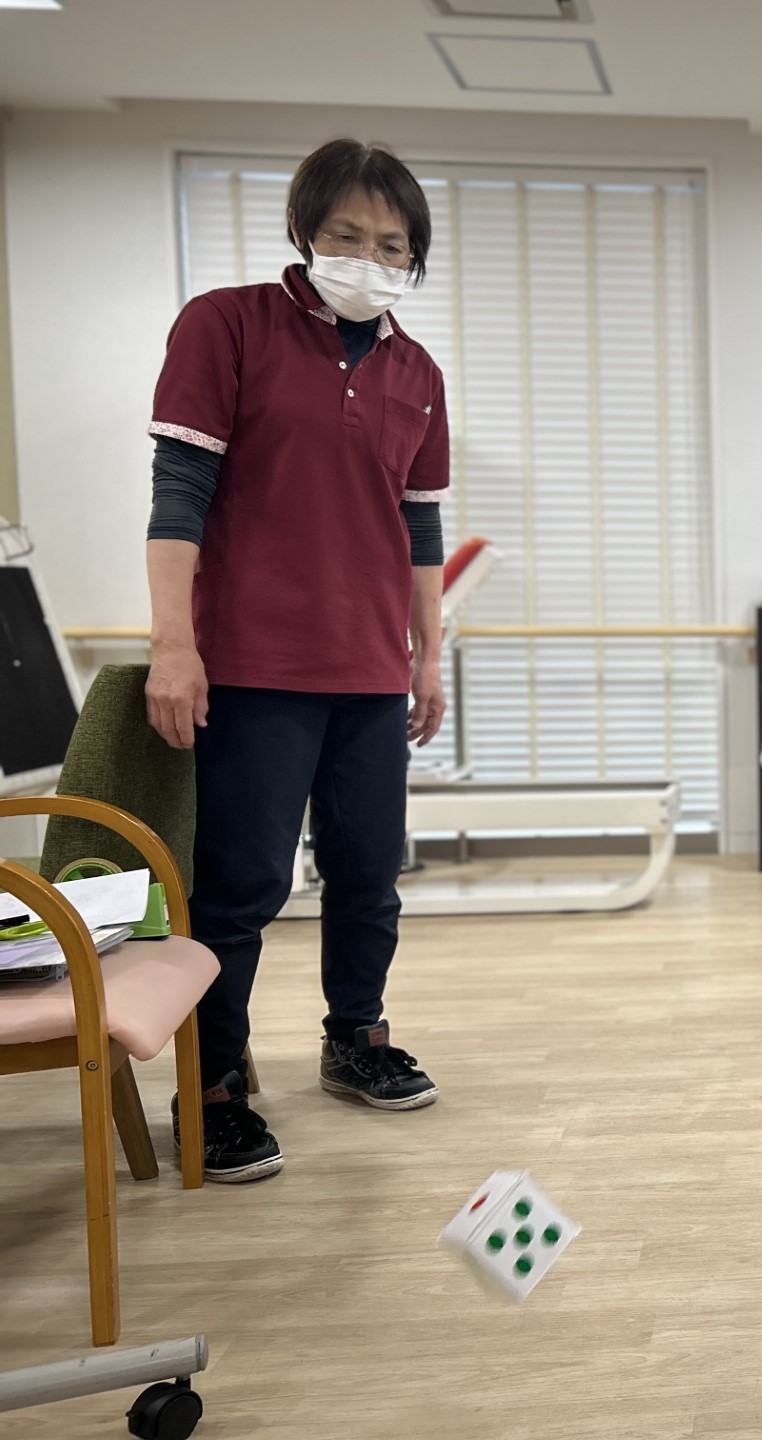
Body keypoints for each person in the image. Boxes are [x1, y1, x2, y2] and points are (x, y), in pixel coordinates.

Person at [143, 139, 448, 1184]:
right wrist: (173, 645)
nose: (370, 257)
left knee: (369, 876)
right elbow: (179, 495)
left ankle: (355, 1037)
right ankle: (213, 1084)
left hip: (370, 671)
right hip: (254, 664)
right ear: (305, 232)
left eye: (392, 245)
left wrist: (428, 658)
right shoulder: (227, 325)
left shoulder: (417, 373)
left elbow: (418, 527)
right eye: (347, 236)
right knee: (241, 886)